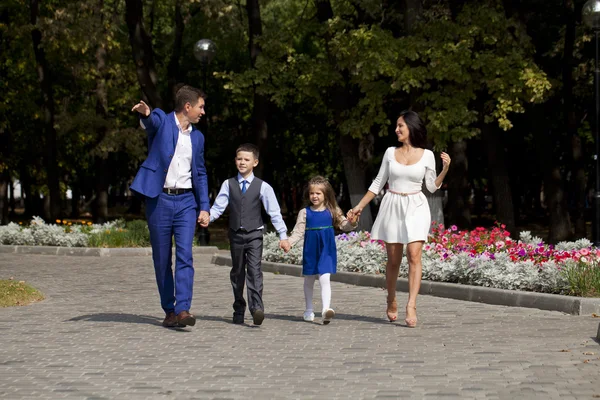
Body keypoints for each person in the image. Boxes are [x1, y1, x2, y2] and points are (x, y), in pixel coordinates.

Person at [348, 110, 450, 328]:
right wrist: (358, 206)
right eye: (397, 125)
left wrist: (445, 169)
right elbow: (377, 183)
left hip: (416, 206)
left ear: (411, 127)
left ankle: (411, 305)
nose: (396, 130)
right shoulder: (389, 153)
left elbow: (432, 186)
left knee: (414, 254)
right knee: (394, 260)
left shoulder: (427, 155)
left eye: (400, 126)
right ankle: (391, 298)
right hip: (393, 205)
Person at [130, 85, 210, 329]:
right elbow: (152, 121)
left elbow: (200, 172)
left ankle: (183, 309)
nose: (203, 112)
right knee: (162, 259)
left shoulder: (197, 137)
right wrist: (146, 113)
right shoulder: (163, 122)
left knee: (185, 254)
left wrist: (204, 206)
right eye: (201, 106)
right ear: (188, 107)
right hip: (160, 200)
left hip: (186, 202)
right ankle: (169, 310)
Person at [209, 143, 290, 326]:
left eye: (246, 159)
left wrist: (283, 235)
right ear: (235, 161)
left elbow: (274, 212)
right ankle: (239, 308)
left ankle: (256, 309)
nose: (242, 162)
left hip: (255, 234)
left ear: (255, 162)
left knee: (254, 271)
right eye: (239, 159)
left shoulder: (263, 187)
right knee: (237, 272)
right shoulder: (228, 184)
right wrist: (208, 218)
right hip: (236, 235)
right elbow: (218, 207)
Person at [286, 176, 358, 324]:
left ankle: (326, 310)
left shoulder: (333, 210)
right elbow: (298, 232)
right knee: (309, 279)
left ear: (326, 194)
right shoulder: (304, 212)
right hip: (311, 249)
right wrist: (289, 243)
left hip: (327, 248)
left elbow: (345, 226)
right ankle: (309, 309)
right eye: (312, 193)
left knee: (325, 277)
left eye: (318, 193)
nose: (314, 196)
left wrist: (353, 222)